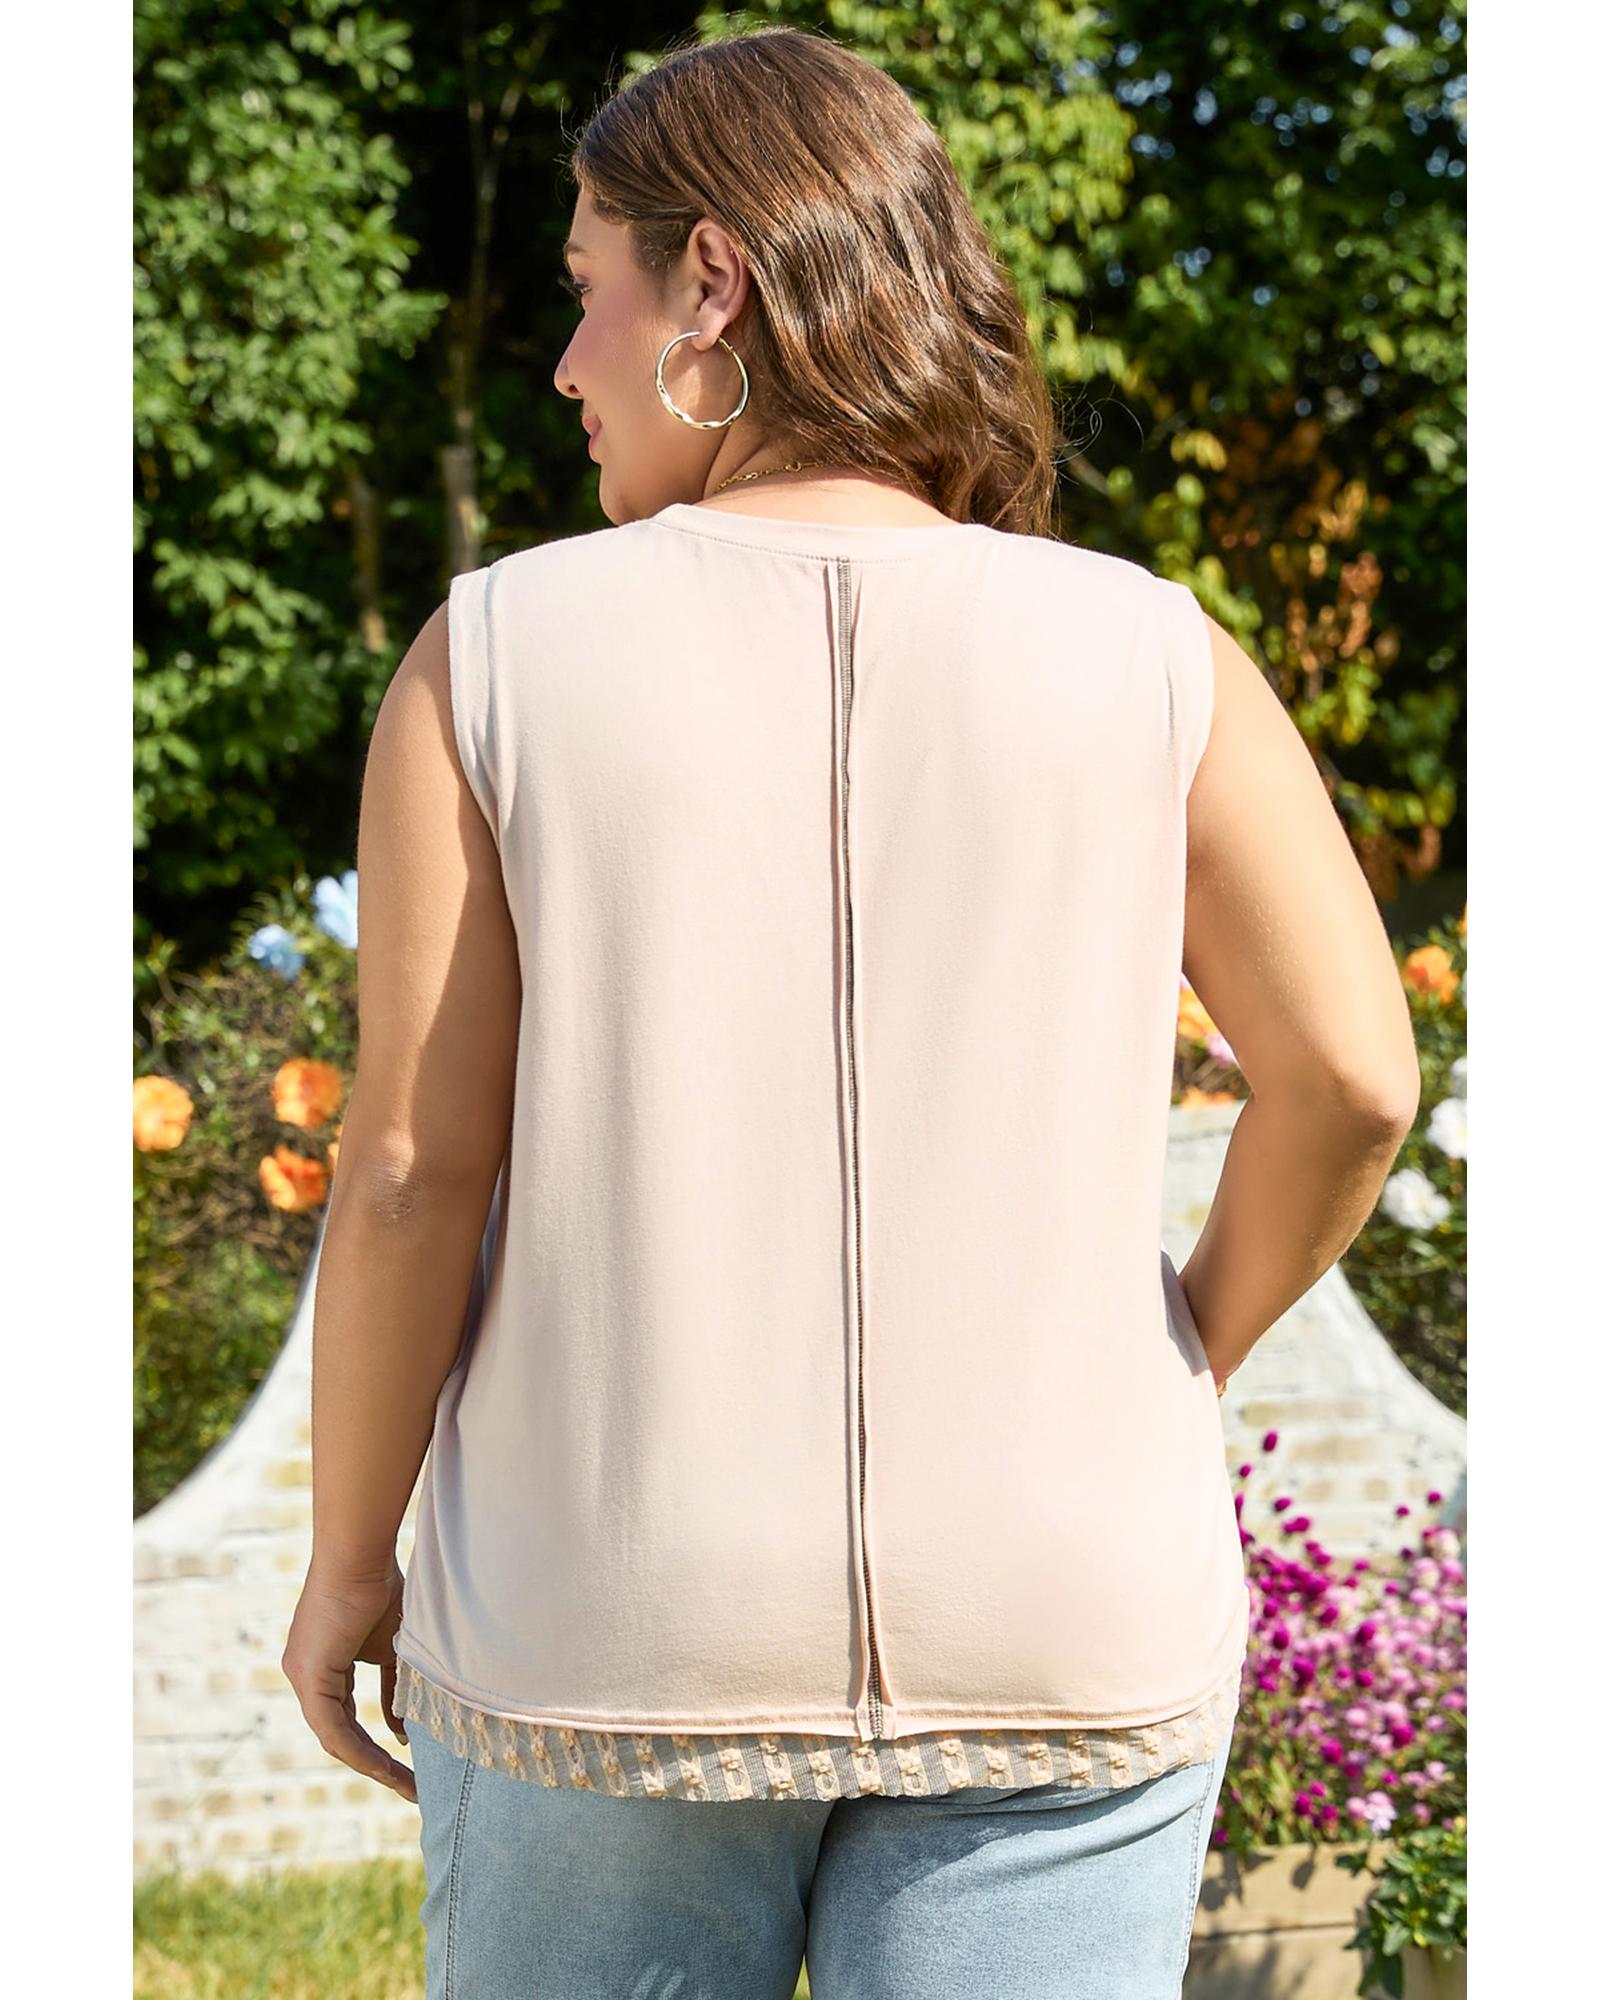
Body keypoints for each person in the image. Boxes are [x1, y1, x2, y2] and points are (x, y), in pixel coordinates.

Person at [280, 25, 1422, 2000]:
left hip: (599, 1637)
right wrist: (1181, 1352)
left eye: (586, 289)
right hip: (1063, 1626)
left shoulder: (495, 656)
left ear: (710, 283)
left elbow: (402, 1173)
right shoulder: (1155, 653)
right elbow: (1350, 1078)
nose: (564, 364)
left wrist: (347, 1562)